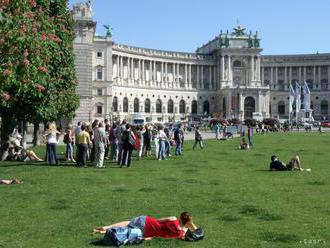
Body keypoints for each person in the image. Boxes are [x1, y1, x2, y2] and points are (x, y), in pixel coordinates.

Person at [93, 212, 198, 240]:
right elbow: (197, 232)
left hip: (147, 221)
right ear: (188, 222)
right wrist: (191, 223)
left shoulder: (173, 219)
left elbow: (159, 220)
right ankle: (106, 231)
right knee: (129, 229)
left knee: (129, 223)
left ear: (180, 217)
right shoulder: (180, 234)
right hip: (147, 232)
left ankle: (107, 227)